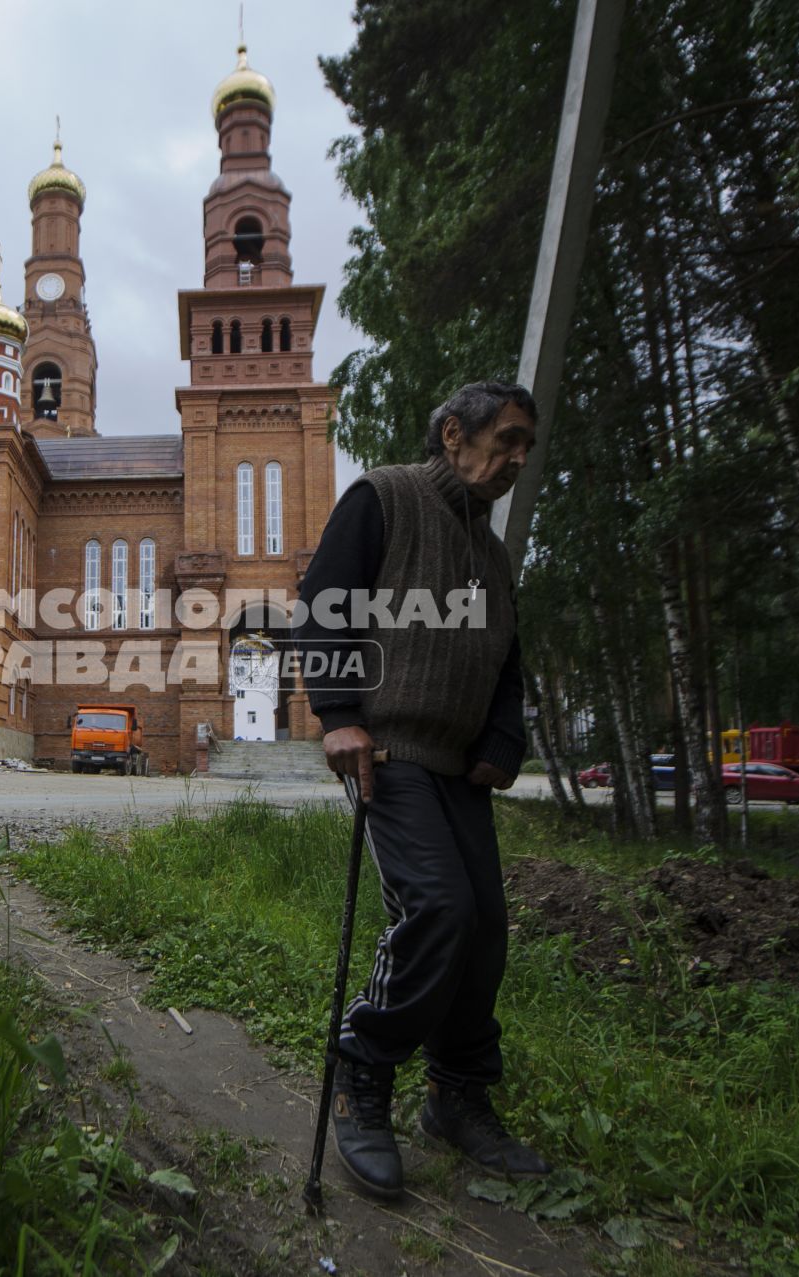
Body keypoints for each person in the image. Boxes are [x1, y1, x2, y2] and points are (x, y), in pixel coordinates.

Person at [291, 380, 551, 1199]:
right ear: (453, 434)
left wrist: (504, 740)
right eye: (505, 440)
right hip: (390, 752)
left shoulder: (492, 553)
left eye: (523, 449)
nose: (515, 460)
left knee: (484, 931)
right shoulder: (384, 497)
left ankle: (457, 1096)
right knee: (437, 907)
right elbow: (321, 605)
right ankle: (364, 1067)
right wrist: (336, 713)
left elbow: (506, 659)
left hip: (459, 765)